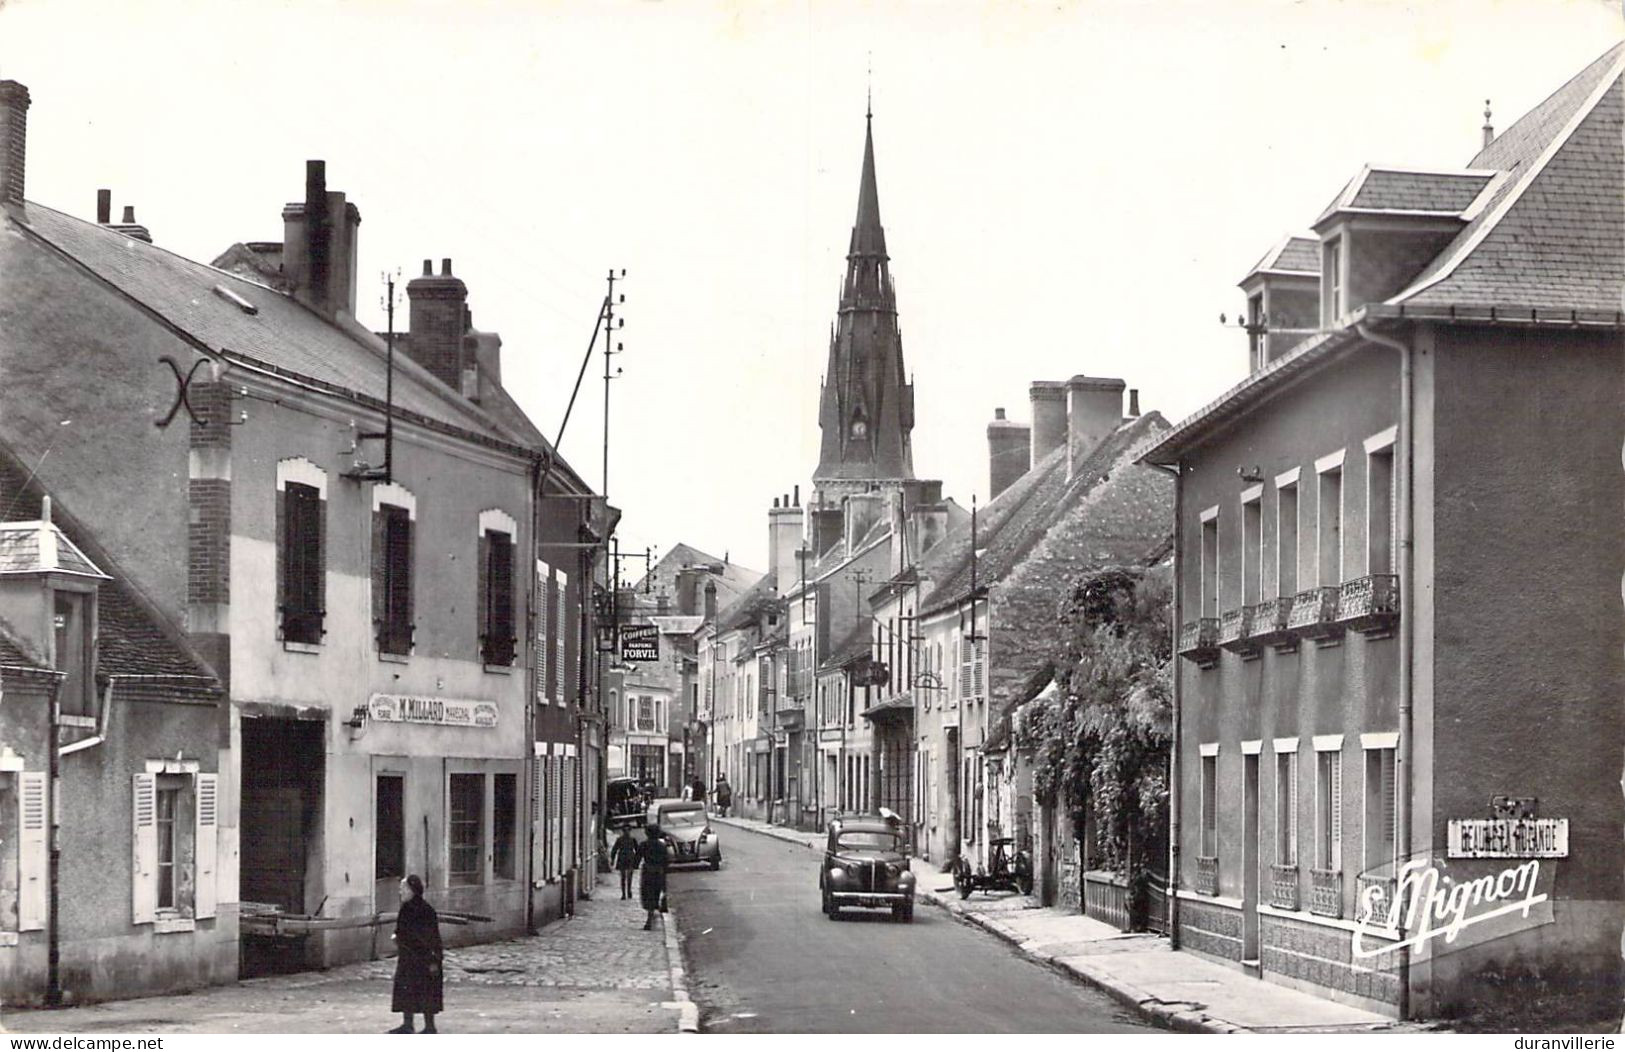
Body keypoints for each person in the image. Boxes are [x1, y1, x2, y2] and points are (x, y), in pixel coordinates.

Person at [389, 874, 444, 1034]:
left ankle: (429, 1026)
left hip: (423, 957)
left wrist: (433, 958)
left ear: (411, 890)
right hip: (409, 956)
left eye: (403, 889)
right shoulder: (407, 908)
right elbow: (401, 930)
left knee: (426, 989)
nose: (400, 892)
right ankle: (408, 1024)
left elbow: (430, 936)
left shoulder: (424, 910)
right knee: (407, 989)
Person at [639, 823, 670, 930]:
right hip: (658, 872)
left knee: (648, 894)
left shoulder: (643, 845)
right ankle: (653, 915)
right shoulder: (662, 846)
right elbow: (666, 861)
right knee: (656, 893)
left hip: (647, 871)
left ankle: (650, 916)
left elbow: (637, 859)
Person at [609, 825, 640, 900]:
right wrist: (612, 859)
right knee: (623, 877)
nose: (627, 832)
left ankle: (629, 891)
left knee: (629, 877)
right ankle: (623, 893)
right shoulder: (619, 840)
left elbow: (637, 851)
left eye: (628, 830)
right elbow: (614, 850)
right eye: (625, 831)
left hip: (629, 858)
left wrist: (636, 861)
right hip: (623, 858)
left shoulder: (633, 839)